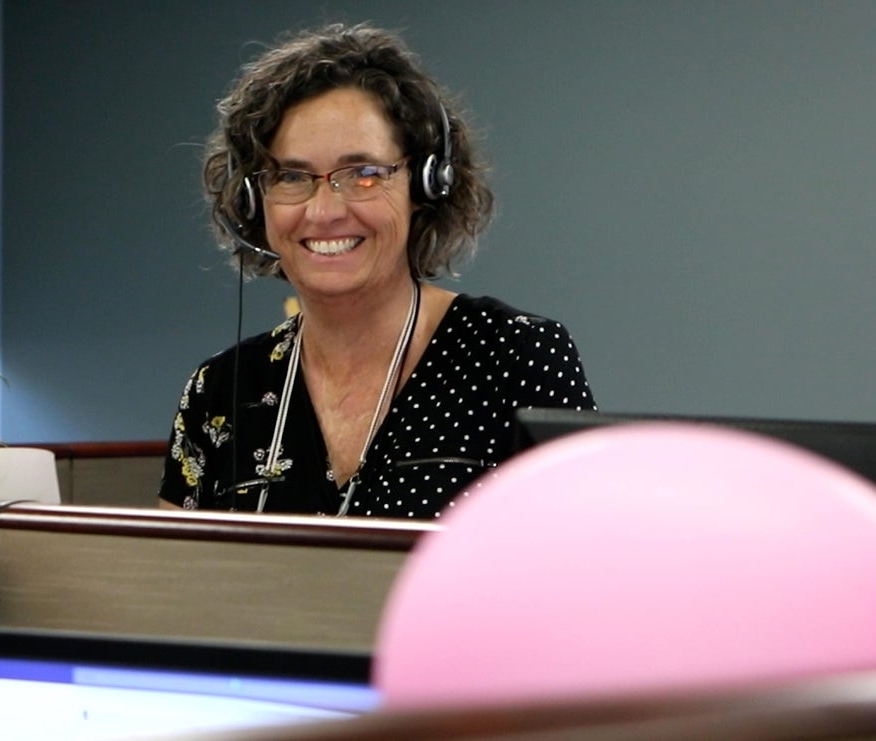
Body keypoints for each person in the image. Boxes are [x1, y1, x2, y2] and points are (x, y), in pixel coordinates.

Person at [158, 23, 595, 518]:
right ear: (255, 201)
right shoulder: (220, 390)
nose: (323, 212)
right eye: (292, 176)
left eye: (363, 173)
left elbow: (586, 572)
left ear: (426, 184)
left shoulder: (517, 357)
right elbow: (175, 586)